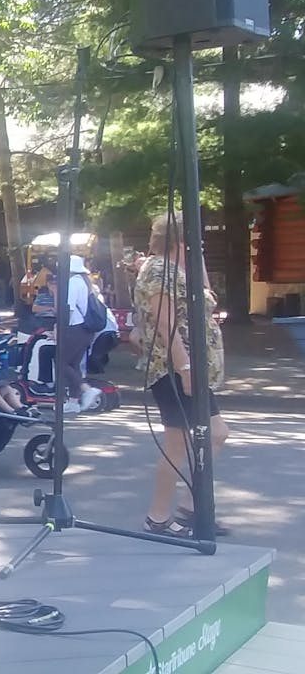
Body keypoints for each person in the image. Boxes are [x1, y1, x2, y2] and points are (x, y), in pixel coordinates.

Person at [134, 212, 230, 538]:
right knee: (178, 444)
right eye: (195, 241)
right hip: (173, 369)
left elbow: (206, 295)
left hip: (184, 368)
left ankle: (189, 506)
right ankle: (157, 518)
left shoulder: (176, 270)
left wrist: (196, 255)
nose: (199, 247)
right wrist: (185, 367)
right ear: (179, 242)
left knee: (215, 433)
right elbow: (165, 322)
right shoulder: (159, 270)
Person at [53, 255, 103, 413]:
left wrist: (59, 328)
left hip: (74, 328)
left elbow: (69, 309)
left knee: (61, 362)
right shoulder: (85, 283)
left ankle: (86, 389)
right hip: (85, 330)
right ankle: (73, 401)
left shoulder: (72, 283)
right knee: (73, 364)